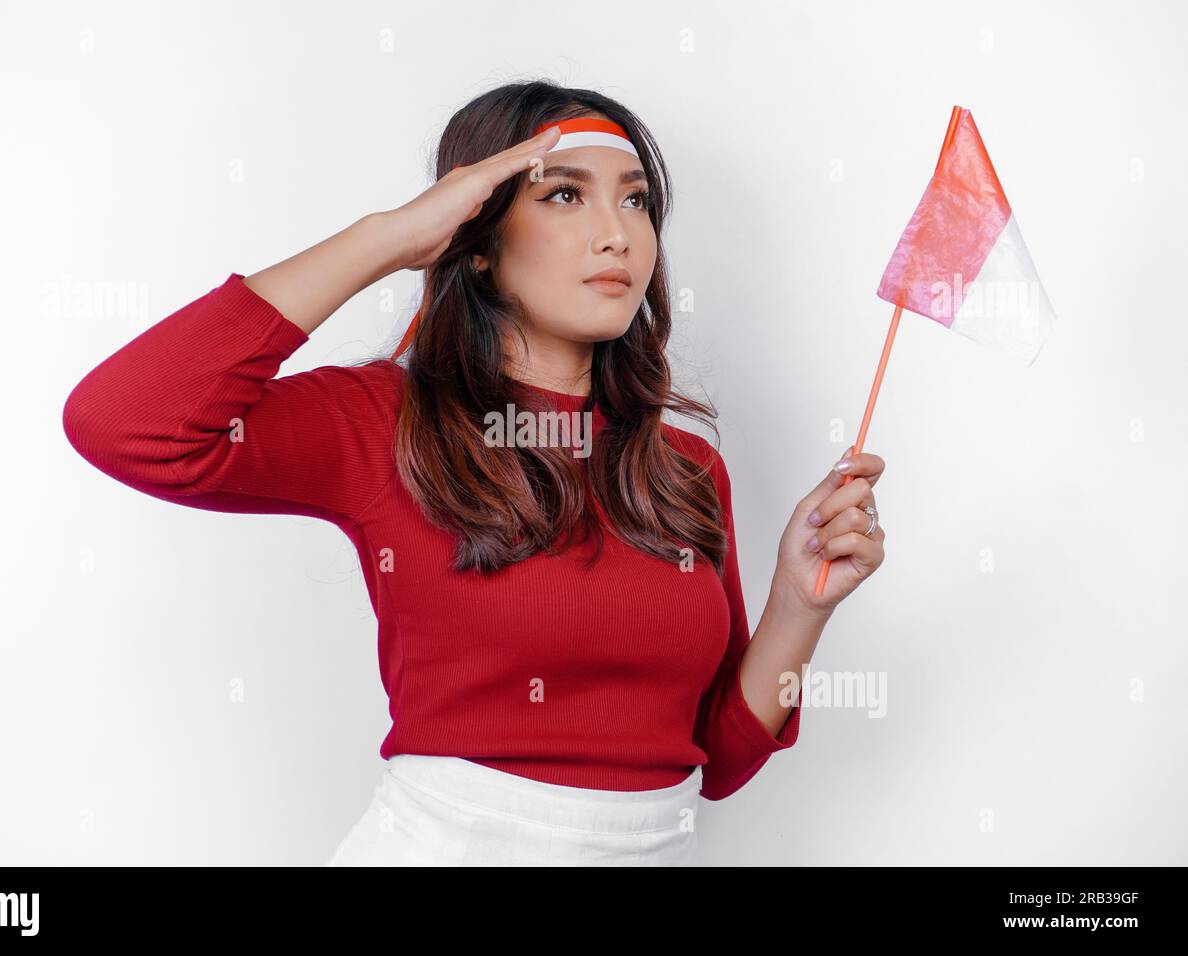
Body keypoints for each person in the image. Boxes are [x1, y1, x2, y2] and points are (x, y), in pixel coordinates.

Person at [62, 80, 887, 866]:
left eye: (636, 199)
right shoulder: (384, 421)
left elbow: (719, 762)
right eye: (565, 194)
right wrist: (389, 239)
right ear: (478, 241)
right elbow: (124, 423)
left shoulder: (683, 467)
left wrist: (796, 606)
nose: (618, 233)